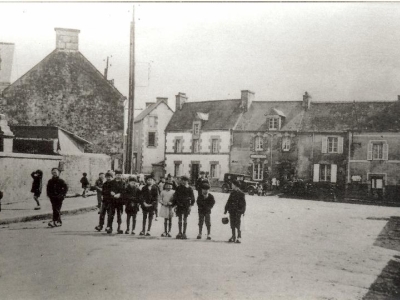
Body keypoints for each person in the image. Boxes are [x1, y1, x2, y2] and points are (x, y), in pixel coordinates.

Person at [173, 175, 195, 239]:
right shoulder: (178, 188)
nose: (183, 182)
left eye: (185, 180)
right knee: (179, 218)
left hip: (186, 205)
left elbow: (193, 198)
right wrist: (175, 204)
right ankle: (179, 232)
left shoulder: (190, 189)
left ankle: (184, 233)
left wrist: (190, 206)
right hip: (179, 205)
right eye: (182, 180)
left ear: (187, 181)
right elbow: (175, 196)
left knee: (185, 218)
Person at [224, 179, 246, 244]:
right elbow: (228, 201)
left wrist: (242, 211)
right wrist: (225, 209)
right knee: (232, 224)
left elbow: (243, 204)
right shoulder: (232, 193)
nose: (231, 186)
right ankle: (233, 236)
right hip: (232, 211)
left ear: (236, 186)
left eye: (232, 185)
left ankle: (239, 237)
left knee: (238, 224)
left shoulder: (241, 194)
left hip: (238, 212)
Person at [105, 170, 125, 234]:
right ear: (115, 175)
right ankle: (109, 227)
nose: (118, 176)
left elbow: (125, 191)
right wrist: (110, 192)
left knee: (119, 215)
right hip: (112, 201)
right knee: (110, 214)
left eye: (119, 175)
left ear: (121, 176)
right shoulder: (111, 182)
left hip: (120, 201)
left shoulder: (123, 183)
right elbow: (107, 190)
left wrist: (120, 194)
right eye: (117, 175)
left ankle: (119, 228)